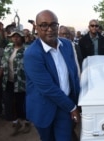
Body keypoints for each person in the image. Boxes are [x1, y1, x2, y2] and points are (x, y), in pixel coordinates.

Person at [23, 10, 80, 141]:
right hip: (43, 108)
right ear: (36, 28)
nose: (49, 29)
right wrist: (73, 108)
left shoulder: (67, 45)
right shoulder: (32, 54)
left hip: (64, 106)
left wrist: (77, 102)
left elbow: (73, 76)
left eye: (53, 24)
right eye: (44, 25)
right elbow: (47, 88)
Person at [0, 30, 31, 136]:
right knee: (11, 103)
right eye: (13, 36)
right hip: (8, 81)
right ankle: (16, 123)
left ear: (22, 38)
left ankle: (26, 122)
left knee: (22, 103)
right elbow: (3, 64)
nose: (15, 38)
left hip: (21, 82)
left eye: (18, 36)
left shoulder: (27, 50)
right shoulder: (8, 48)